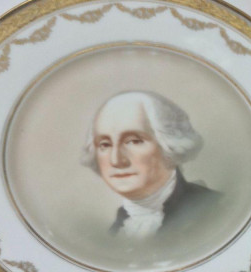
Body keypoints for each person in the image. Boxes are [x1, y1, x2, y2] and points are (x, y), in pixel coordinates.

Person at [81, 90, 220, 238]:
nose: (116, 160)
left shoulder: (213, 210)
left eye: (134, 141)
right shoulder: (119, 224)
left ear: (169, 146)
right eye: (105, 144)